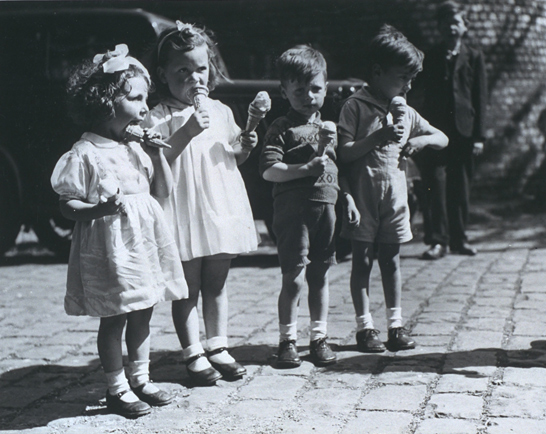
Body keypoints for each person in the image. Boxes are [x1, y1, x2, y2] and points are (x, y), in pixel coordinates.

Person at [50, 44, 187, 418]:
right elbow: (67, 203)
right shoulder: (86, 153)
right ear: (106, 102)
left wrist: (158, 153)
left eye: (146, 99)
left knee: (143, 310)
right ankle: (116, 387)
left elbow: (161, 193)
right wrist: (99, 209)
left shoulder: (135, 148)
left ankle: (140, 378)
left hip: (142, 244)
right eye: (136, 98)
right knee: (116, 316)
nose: (145, 107)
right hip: (111, 248)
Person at [142, 21, 258, 386]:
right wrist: (187, 129)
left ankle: (219, 344)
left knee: (217, 281)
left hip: (218, 206)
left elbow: (230, 155)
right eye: (183, 71)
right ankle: (192, 351)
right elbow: (157, 163)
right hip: (183, 208)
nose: (195, 78)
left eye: (201, 68)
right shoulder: (158, 116)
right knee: (187, 285)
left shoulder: (221, 111)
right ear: (162, 74)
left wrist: (245, 147)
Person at [337, 25, 448, 352]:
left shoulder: (405, 112)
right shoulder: (355, 107)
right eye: (402, 77)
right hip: (363, 198)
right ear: (377, 72)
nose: (408, 85)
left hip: (394, 200)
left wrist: (422, 139)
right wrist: (376, 138)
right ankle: (365, 327)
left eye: (411, 79)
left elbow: (443, 138)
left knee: (392, 260)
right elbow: (344, 152)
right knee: (363, 261)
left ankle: (396, 325)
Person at [260, 45, 343, 368]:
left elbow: (337, 170)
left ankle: (319, 337)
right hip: (294, 213)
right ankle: (287, 340)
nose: (308, 96)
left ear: (326, 88)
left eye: (315, 89)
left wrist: (346, 197)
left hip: (327, 210)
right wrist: (303, 170)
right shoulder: (282, 127)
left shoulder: (329, 128)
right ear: (284, 91)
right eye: (299, 90)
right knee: (294, 277)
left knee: (320, 275)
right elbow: (269, 171)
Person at [412, 0, 487, 260]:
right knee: (436, 186)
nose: (451, 28)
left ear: (464, 26)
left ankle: (459, 239)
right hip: (436, 132)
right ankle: (438, 241)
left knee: (460, 188)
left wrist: (479, 136)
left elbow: (480, 97)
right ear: (439, 28)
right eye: (445, 24)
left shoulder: (474, 56)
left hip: (464, 132)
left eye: (456, 23)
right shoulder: (430, 56)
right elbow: (416, 87)